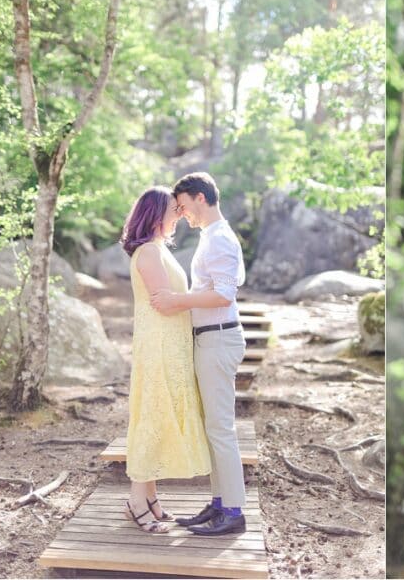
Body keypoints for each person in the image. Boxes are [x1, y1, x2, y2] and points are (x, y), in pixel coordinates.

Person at [149, 172, 248, 536]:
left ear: (200, 198)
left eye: (183, 204)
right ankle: (220, 502)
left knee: (221, 428)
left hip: (219, 339)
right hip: (210, 338)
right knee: (213, 428)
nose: (181, 212)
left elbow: (224, 294)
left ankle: (234, 511)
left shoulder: (221, 238)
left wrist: (178, 301)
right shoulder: (212, 236)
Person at [119, 186, 212, 534]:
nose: (179, 215)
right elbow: (162, 301)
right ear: (157, 214)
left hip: (171, 345)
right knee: (152, 419)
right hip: (157, 346)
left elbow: (173, 299)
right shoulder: (147, 253)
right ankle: (136, 501)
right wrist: (208, 297)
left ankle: (151, 499)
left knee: (160, 417)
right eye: (174, 210)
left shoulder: (158, 250)